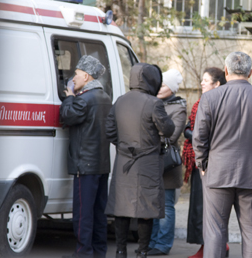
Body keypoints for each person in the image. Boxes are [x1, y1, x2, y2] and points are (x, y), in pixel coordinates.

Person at [193, 51, 252, 258]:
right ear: (250, 73)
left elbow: (199, 137)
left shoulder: (210, 98)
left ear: (226, 71)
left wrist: (203, 164)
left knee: (214, 232)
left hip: (217, 172)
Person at [105, 63, 175, 258]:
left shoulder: (120, 101)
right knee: (146, 208)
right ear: (152, 80)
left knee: (122, 207)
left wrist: (124, 147)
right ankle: (142, 252)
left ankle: (120, 251)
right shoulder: (153, 103)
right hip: (148, 163)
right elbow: (168, 129)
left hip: (124, 162)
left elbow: (109, 131)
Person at [59, 55, 112, 258]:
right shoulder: (105, 97)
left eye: (77, 74)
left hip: (85, 165)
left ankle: (83, 252)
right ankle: (99, 251)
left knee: (83, 214)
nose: (74, 78)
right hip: (101, 164)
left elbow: (66, 116)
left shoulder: (84, 99)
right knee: (98, 212)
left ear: (87, 76)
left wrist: (70, 96)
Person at [183, 67, 227, 258]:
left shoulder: (219, 103)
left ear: (217, 84)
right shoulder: (199, 103)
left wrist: (194, 137)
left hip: (210, 163)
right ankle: (204, 247)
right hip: (197, 161)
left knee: (209, 209)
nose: (202, 83)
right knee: (198, 208)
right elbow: (188, 127)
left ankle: (217, 247)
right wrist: (191, 135)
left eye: (206, 80)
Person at [148, 69, 187, 256]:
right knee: (154, 206)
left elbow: (171, 136)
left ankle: (163, 245)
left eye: (163, 85)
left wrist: (150, 133)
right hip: (152, 161)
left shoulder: (178, 107)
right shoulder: (153, 103)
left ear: (171, 89)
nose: (159, 88)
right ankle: (153, 241)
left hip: (167, 164)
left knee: (167, 206)